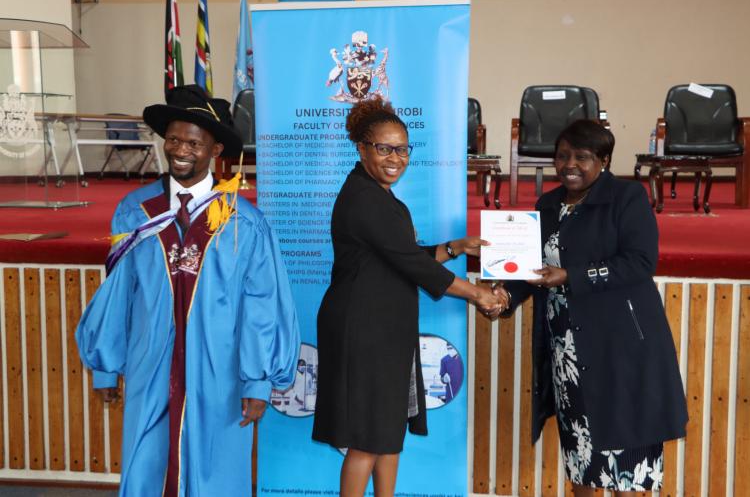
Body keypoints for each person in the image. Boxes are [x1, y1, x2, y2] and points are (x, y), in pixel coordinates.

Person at [76, 85, 300, 497]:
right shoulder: (136, 211)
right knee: (148, 468)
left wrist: (257, 382)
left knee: (216, 472)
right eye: (174, 139)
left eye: (194, 142)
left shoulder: (241, 221)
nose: (181, 150)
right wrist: (107, 364)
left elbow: (262, 304)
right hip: (151, 368)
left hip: (221, 373)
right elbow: (118, 293)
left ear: (215, 150)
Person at [312, 97, 507, 497]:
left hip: (384, 326)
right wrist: (479, 295)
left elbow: (401, 257)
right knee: (367, 436)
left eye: (402, 149)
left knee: (388, 430)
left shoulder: (377, 195)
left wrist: (454, 246)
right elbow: (412, 264)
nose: (395, 158)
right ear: (362, 148)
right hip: (363, 329)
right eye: (384, 148)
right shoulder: (365, 199)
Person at [497, 120, 687, 496]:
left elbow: (640, 261)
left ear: (603, 160)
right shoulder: (547, 205)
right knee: (582, 457)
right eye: (563, 155)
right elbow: (530, 268)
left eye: (582, 157)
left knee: (629, 466)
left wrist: (570, 275)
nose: (570, 164)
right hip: (569, 352)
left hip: (623, 350)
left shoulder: (626, 198)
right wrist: (503, 295)